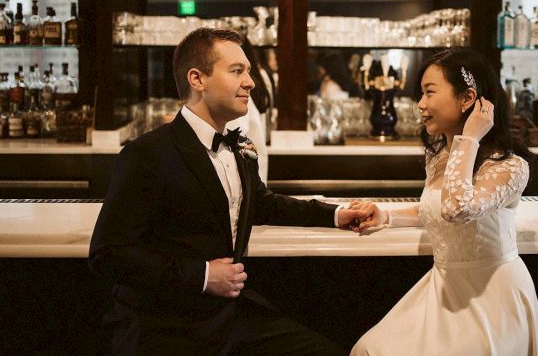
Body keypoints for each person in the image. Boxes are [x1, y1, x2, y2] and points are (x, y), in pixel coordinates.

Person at [89, 28, 366, 355]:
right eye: (237, 71)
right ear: (197, 79)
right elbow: (108, 254)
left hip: (232, 317)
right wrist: (203, 275)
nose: (250, 82)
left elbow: (261, 204)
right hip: (166, 325)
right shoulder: (148, 154)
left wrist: (335, 214)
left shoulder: (240, 146)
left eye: (248, 71)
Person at [349, 48, 538, 356]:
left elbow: (457, 209)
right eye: (421, 94)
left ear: (467, 98)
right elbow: (435, 208)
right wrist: (387, 215)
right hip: (443, 287)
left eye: (429, 92)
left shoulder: (509, 166)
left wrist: (469, 139)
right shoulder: (438, 156)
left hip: (491, 296)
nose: (420, 105)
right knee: (369, 349)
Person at [228, 39, 272, 182]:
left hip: (248, 183)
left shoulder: (238, 97)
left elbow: (236, 133)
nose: (249, 83)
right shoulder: (260, 78)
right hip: (255, 178)